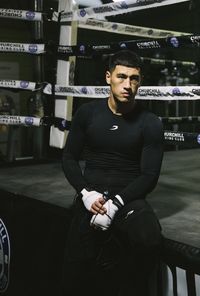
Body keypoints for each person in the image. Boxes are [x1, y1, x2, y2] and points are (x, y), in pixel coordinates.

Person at [61, 49, 164, 296]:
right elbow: (68, 157)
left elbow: (149, 175)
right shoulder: (88, 113)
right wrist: (86, 194)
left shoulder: (150, 122)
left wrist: (117, 203)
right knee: (73, 273)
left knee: (149, 238)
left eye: (134, 78)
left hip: (127, 199)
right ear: (108, 77)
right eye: (121, 77)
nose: (128, 85)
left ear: (140, 82)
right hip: (92, 196)